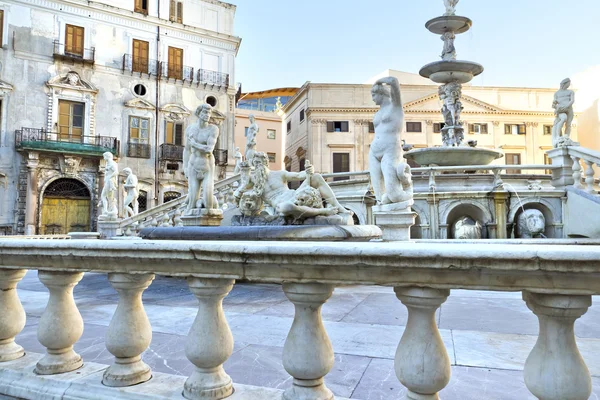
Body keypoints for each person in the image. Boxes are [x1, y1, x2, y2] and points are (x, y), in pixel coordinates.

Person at [241, 152, 348, 220]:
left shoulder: (279, 174)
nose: (258, 166)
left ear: (266, 163)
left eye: (260, 163)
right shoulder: (254, 180)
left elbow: (299, 175)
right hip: (281, 204)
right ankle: (324, 211)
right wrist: (245, 174)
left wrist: (309, 170)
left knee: (316, 177)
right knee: (286, 207)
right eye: (255, 163)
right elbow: (242, 189)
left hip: (295, 195)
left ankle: (339, 207)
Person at [369, 77, 413, 205]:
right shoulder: (377, 113)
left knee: (394, 196)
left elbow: (394, 81)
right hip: (374, 153)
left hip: (390, 151)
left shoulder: (395, 107)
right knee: (379, 198)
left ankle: (409, 189)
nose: (372, 98)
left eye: (373, 94)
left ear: (381, 93)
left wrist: (378, 81)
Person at [183, 104, 219, 214]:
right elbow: (187, 150)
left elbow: (209, 149)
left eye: (209, 113)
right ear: (199, 113)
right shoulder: (190, 129)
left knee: (208, 205)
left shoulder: (213, 129)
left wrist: (195, 144)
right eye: (204, 112)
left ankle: (214, 202)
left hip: (207, 165)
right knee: (192, 204)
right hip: (193, 165)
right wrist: (185, 166)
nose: (207, 115)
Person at [552, 78, 575, 147]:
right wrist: (555, 106)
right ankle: (558, 136)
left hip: (569, 109)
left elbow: (572, 100)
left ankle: (566, 137)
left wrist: (566, 106)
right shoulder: (557, 93)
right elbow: (554, 104)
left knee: (568, 124)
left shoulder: (571, 92)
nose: (569, 85)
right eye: (568, 83)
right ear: (565, 83)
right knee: (563, 119)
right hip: (561, 109)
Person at [101, 152, 118, 216]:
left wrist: (110, 177)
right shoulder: (108, 163)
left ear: (108, 156)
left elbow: (116, 172)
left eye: (104, 156)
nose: (103, 158)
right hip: (107, 181)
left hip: (109, 181)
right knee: (104, 196)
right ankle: (106, 210)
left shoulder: (112, 163)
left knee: (109, 197)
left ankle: (112, 210)